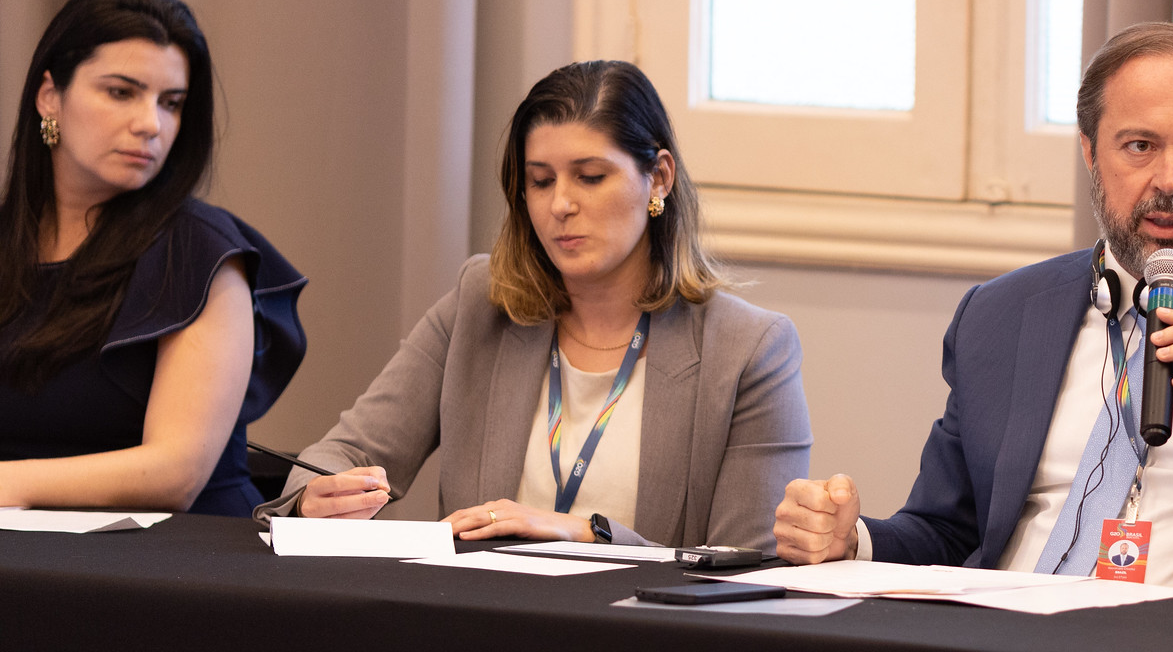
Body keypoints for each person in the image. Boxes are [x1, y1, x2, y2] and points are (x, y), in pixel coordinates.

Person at [775, 22, 1173, 601]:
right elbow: (951, 533)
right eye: (1140, 145)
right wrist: (852, 540)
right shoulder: (1000, 314)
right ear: (1091, 152)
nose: (1171, 180)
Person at [257, 61, 810, 548]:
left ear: (657, 178)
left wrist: (589, 533)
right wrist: (315, 498)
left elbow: (749, 570)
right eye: (540, 182)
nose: (561, 205)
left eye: (590, 177)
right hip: (481, 634)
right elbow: (341, 454)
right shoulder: (480, 303)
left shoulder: (748, 350)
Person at [0, 0, 306, 516]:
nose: (150, 124)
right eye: (121, 92)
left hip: (173, 571)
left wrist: (13, 484)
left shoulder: (203, 251)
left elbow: (173, 474)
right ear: (50, 95)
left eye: (171, 103)